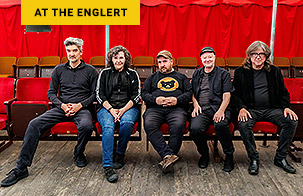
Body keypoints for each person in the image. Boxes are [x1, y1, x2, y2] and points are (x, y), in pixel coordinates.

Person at [1, 37, 98, 187]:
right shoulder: (59, 69)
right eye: (69, 51)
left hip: (81, 108)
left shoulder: (90, 71)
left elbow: (94, 94)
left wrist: (79, 105)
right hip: (61, 108)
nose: (71, 54)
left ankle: (79, 153)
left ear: (81, 52)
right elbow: (51, 93)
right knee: (34, 124)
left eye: (75, 51)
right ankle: (21, 168)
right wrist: (62, 106)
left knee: (86, 126)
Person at [232, 41, 298, 175]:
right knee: (244, 124)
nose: (258, 56)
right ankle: (254, 158)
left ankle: (280, 158)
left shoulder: (274, 71)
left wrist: (287, 107)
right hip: (250, 110)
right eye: (254, 54)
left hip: (271, 109)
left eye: (261, 54)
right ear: (249, 56)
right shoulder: (241, 72)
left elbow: (283, 92)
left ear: (266, 56)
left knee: (291, 121)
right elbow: (235, 95)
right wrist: (241, 108)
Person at [96, 46, 141, 183]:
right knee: (108, 127)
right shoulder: (104, 73)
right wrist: (111, 109)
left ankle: (120, 154)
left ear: (126, 59)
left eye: (121, 57)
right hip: (106, 108)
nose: (118, 60)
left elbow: (137, 95)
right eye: (115, 58)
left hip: (128, 108)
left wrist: (122, 110)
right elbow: (99, 94)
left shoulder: (133, 74)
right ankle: (108, 166)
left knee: (127, 123)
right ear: (111, 59)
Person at [142, 50, 192, 173]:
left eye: (165, 61)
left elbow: (189, 93)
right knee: (149, 124)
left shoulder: (181, 77)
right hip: (155, 109)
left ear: (171, 62)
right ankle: (168, 155)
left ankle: (167, 157)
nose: (162, 64)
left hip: (176, 109)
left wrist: (177, 100)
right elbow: (144, 94)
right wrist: (155, 100)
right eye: (159, 62)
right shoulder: (152, 78)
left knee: (178, 125)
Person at [190, 47, 235, 172]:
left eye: (210, 57)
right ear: (201, 59)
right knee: (195, 129)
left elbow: (227, 95)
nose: (207, 59)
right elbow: (192, 93)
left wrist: (221, 111)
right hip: (202, 109)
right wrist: (195, 105)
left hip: (220, 107)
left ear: (215, 57)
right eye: (205, 57)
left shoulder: (223, 74)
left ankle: (229, 155)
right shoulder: (197, 73)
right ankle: (204, 154)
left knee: (221, 125)